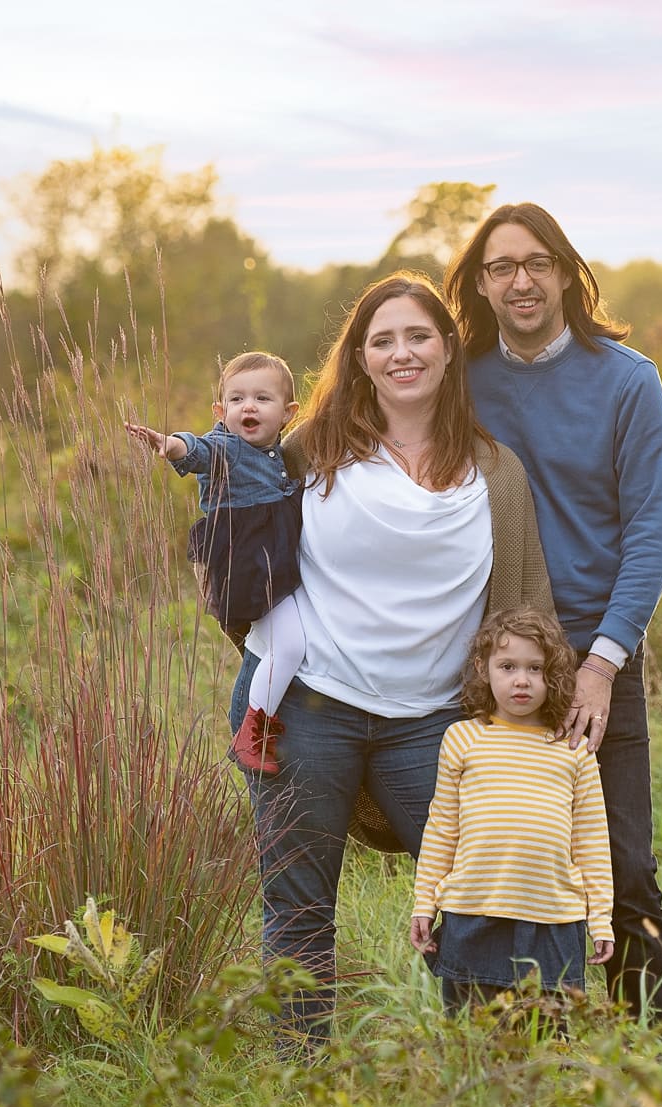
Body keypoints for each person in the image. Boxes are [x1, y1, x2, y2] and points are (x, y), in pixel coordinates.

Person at [230, 272, 554, 1046]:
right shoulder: (312, 449)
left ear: (448, 351)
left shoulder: (496, 473)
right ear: (361, 359)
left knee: (479, 891)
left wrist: (533, 721)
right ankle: (298, 1083)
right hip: (307, 708)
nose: (401, 353)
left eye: (418, 337)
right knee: (299, 905)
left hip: (433, 725)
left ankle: (490, 1068)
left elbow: (525, 606)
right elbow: (241, 537)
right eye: (382, 341)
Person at [444, 203, 662, 1033]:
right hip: (497, 655)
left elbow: (652, 538)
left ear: (566, 273)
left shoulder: (628, 379)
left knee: (619, 858)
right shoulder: (460, 378)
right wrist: (231, 449)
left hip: (593, 650)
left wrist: (603, 662)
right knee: (499, 857)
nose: (520, 280)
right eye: (502, 266)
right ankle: (509, 1044)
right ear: (480, 283)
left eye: (537, 263)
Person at [410, 607, 613, 1017]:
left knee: (545, 1033)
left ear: (553, 676)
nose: (521, 679)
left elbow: (591, 840)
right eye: (507, 666)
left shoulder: (572, 749)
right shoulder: (463, 738)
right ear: (484, 670)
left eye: (535, 668)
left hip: (553, 917)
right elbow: (442, 829)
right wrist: (424, 903)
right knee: (470, 1031)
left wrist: (602, 919)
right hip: (473, 910)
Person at [125, 350, 305, 775]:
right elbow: (200, 450)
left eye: (262, 398)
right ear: (220, 411)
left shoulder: (278, 452)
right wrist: (171, 445)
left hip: (272, 563)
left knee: (285, 640)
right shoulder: (229, 448)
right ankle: (254, 731)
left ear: (288, 414)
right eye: (237, 399)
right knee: (289, 644)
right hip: (250, 567)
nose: (249, 407)